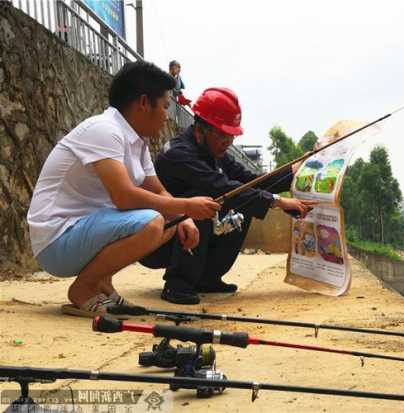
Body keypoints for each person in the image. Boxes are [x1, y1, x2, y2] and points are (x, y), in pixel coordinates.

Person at [26, 61, 221, 317]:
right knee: (152, 222)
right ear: (143, 103)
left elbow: (159, 191)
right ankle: (83, 290)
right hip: (57, 241)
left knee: (169, 221)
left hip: (82, 232)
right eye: (164, 106)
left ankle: (102, 285)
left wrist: (183, 218)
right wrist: (186, 206)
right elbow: (124, 197)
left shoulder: (136, 141)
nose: (166, 116)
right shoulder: (104, 130)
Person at [141, 87, 317, 304]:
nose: (228, 142)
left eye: (231, 136)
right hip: (155, 241)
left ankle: (207, 278)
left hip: (189, 235)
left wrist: (294, 170)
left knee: (246, 201)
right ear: (201, 128)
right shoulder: (178, 153)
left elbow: (251, 181)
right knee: (205, 199)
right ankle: (178, 284)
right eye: (223, 135)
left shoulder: (215, 153)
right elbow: (220, 187)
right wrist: (278, 202)